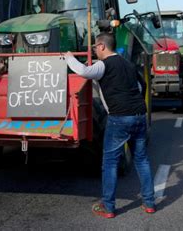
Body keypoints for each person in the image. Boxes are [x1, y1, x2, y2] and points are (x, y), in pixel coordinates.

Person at [65, 32, 155, 219]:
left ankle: (108, 206)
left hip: (119, 119)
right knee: (142, 161)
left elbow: (83, 72)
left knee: (110, 163)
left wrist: (68, 58)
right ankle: (149, 203)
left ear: (102, 46)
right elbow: (142, 85)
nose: (95, 51)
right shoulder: (128, 64)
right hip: (139, 115)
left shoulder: (103, 65)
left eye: (95, 47)